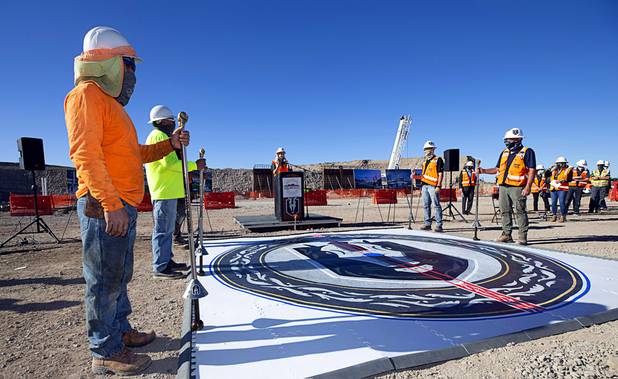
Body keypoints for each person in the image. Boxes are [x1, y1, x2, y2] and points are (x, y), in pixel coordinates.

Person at [64, 26, 191, 375]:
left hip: (122, 204)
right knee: (104, 279)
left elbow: (133, 153)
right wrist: (110, 204)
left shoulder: (110, 106)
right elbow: (85, 155)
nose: (133, 74)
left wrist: (171, 144)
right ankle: (104, 349)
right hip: (107, 204)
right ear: (109, 62)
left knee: (119, 275)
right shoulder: (86, 95)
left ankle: (120, 331)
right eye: (129, 64)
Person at [145, 105, 198, 279]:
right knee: (162, 230)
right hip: (164, 191)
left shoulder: (164, 136)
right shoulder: (158, 136)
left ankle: (166, 260)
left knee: (167, 230)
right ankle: (160, 267)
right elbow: (170, 164)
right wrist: (195, 166)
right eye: (170, 120)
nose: (172, 122)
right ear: (161, 121)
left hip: (169, 190)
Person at [477, 128, 536, 245]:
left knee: (520, 211)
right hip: (503, 187)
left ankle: (522, 237)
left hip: (518, 187)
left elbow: (532, 170)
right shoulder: (504, 152)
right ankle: (506, 235)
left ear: (518, 139)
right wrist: (483, 170)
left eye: (509, 139)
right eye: (506, 139)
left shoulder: (527, 152)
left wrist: (528, 186)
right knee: (504, 211)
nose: (507, 141)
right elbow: (497, 169)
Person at [419, 141, 444, 232]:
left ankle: (439, 225)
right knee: (426, 205)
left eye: (428, 149)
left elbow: (440, 174)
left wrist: (439, 186)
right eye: (425, 149)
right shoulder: (425, 162)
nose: (426, 151)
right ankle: (427, 223)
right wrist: (414, 176)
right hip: (424, 186)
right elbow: (424, 175)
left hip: (433, 186)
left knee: (436, 205)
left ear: (433, 149)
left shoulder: (438, 160)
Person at [549, 157, 573, 222]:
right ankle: (554, 215)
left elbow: (570, 179)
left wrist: (563, 181)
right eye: (558, 163)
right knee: (553, 203)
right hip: (553, 188)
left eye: (561, 163)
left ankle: (563, 216)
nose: (559, 164)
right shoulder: (554, 170)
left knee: (562, 202)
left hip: (562, 188)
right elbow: (546, 175)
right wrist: (550, 168)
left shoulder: (568, 170)